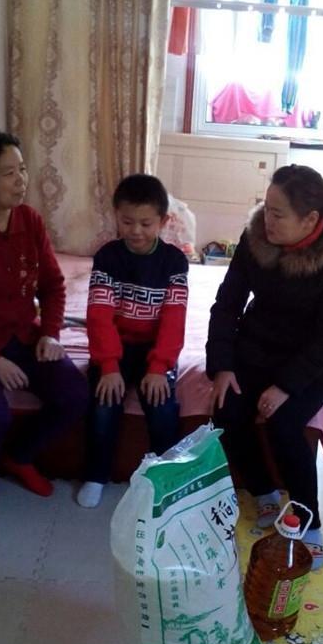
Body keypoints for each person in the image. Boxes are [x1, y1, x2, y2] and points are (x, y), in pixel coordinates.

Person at [0, 128, 89, 519]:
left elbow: (53, 285)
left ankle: (19, 456)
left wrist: (50, 334)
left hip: (23, 333)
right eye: (9, 173)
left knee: (74, 395)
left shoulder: (30, 221)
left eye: (22, 169)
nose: (22, 180)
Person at [207, 164, 323, 538]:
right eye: (265, 208)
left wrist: (286, 386)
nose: (267, 221)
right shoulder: (256, 237)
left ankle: (308, 519)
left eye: (277, 214)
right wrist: (222, 365)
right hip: (256, 346)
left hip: (310, 360)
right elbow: (227, 304)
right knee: (227, 413)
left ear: (310, 220)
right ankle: (264, 493)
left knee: (285, 424)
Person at [77, 174, 189, 508]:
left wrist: (159, 367)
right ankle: (96, 474)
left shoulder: (174, 261)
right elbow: (99, 316)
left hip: (154, 351)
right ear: (116, 216)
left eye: (145, 223)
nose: (136, 231)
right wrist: (109, 365)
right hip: (115, 347)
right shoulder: (107, 257)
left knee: (163, 407)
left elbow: (174, 320)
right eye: (127, 222)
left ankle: (163, 478)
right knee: (103, 404)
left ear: (163, 222)